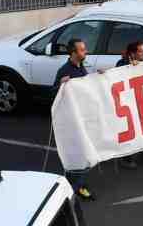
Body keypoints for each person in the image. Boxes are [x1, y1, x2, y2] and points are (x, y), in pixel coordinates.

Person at [55, 38, 102, 201]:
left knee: (82, 154)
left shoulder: (81, 68)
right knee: (78, 155)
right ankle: (75, 189)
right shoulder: (64, 71)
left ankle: (74, 184)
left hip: (83, 119)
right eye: (82, 50)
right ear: (73, 53)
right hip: (71, 123)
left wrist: (98, 77)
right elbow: (54, 96)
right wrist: (60, 85)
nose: (86, 51)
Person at [117, 41, 143, 169]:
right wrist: (130, 67)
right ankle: (126, 159)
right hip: (129, 104)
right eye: (140, 51)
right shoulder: (121, 64)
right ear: (132, 53)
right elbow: (117, 76)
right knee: (131, 131)